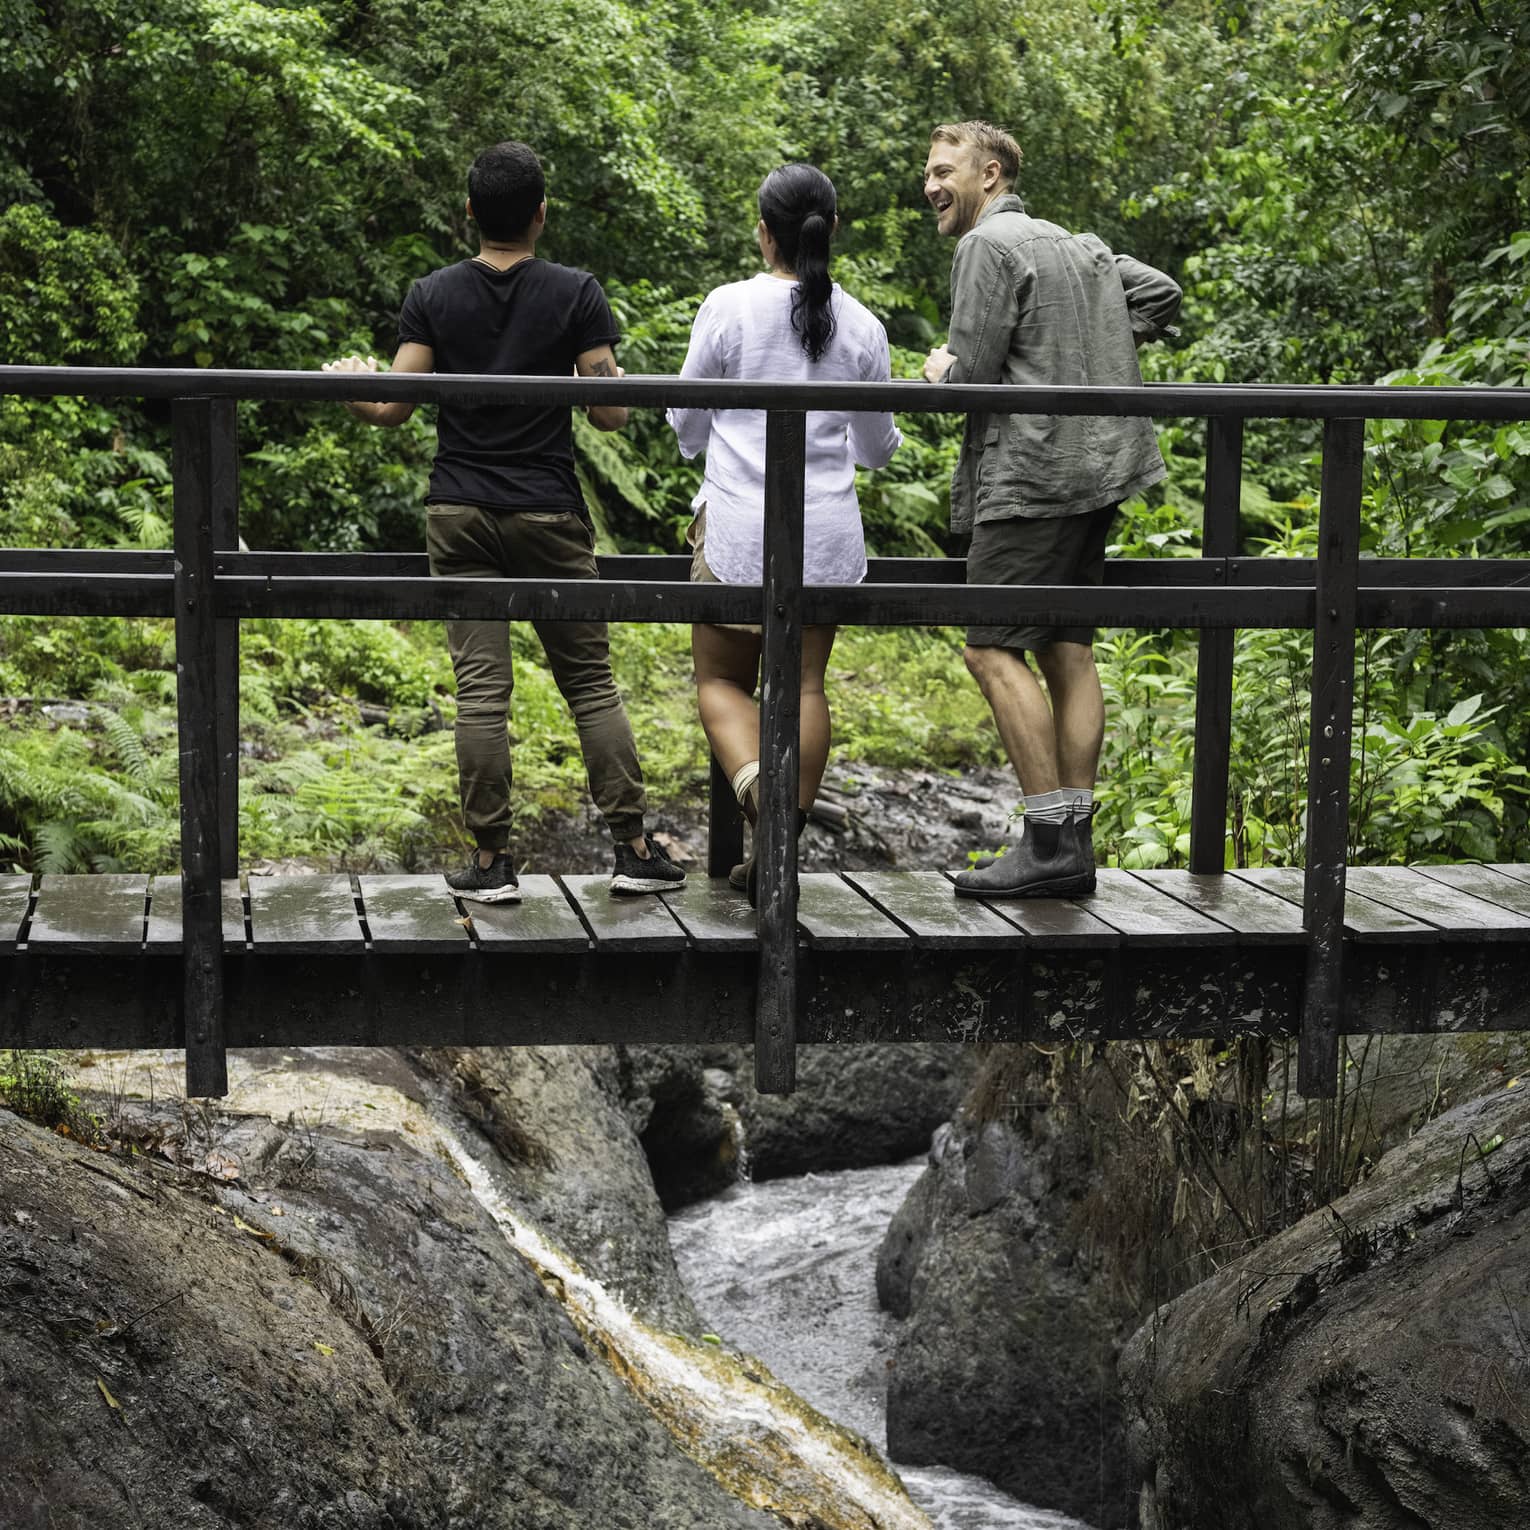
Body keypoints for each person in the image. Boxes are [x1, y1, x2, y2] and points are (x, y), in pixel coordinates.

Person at [324, 141, 684, 903]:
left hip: (458, 510)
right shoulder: (576, 292)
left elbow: (390, 408)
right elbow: (612, 413)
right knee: (589, 682)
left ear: (468, 215)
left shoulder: (434, 294)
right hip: (548, 508)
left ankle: (491, 865)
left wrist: (348, 388)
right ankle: (631, 847)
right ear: (541, 215)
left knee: (482, 691)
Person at [919, 120, 1181, 899]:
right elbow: (1160, 292)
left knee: (991, 647)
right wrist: (1095, 343)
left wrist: (941, 372)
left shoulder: (986, 247)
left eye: (944, 171)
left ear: (989, 174)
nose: (931, 186)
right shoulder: (1084, 246)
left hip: (1033, 477)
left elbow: (971, 375)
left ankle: (1047, 841)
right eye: (928, 174)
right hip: (1101, 470)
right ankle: (1073, 840)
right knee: (1066, 649)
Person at [667, 163, 901, 903]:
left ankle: (764, 806)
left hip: (739, 529)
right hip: (826, 538)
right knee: (802, 682)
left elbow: (684, 422)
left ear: (764, 232)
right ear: (830, 231)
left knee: (719, 681)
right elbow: (876, 447)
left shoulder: (729, 308)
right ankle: (783, 837)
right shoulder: (862, 325)